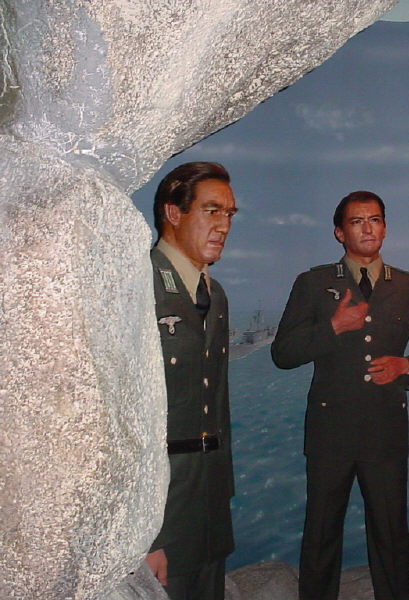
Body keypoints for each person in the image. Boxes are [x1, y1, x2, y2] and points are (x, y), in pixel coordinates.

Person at [272, 190, 409, 600]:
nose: (368, 228)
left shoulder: (408, 286)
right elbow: (282, 354)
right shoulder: (314, 283)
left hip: (386, 432)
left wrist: (406, 366)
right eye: (357, 221)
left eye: (375, 220)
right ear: (340, 232)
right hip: (329, 433)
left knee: (391, 536)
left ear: (384, 227)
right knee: (321, 536)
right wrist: (332, 328)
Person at [145, 161, 238, 600]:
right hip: (161, 512)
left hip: (209, 505)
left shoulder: (215, 296)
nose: (224, 225)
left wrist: (223, 495)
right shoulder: (139, 285)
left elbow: (217, 403)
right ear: (173, 213)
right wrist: (146, 533)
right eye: (212, 211)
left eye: (229, 214)